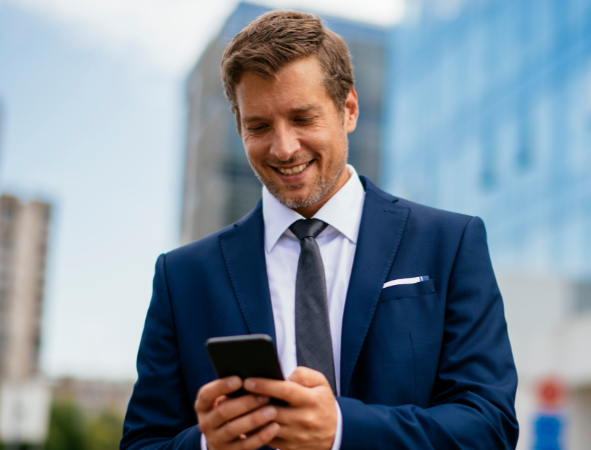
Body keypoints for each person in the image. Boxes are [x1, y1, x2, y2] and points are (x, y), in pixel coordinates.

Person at [120, 9, 517, 450]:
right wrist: (208, 445)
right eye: (259, 126)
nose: (284, 147)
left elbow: (489, 427)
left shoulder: (449, 244)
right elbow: (142, 442)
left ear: (348, 109)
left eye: (303, 118)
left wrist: (342, 431)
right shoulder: (183, 277)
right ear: (238, 127)